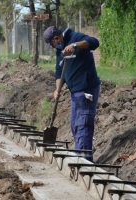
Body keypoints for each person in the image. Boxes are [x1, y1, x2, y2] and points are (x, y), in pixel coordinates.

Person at [43, 26, 100, 162]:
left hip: (87, 89)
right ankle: (82, 157)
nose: (52, 47)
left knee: (83, 124)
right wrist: (58, 89)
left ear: (56, 38)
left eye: (52, 43)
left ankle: (84, 162)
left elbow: (94, 42)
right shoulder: (59, 50)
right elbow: (58, 72)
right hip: (75, 93)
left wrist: (74, 45)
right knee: (75, 125)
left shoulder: (76, 37)